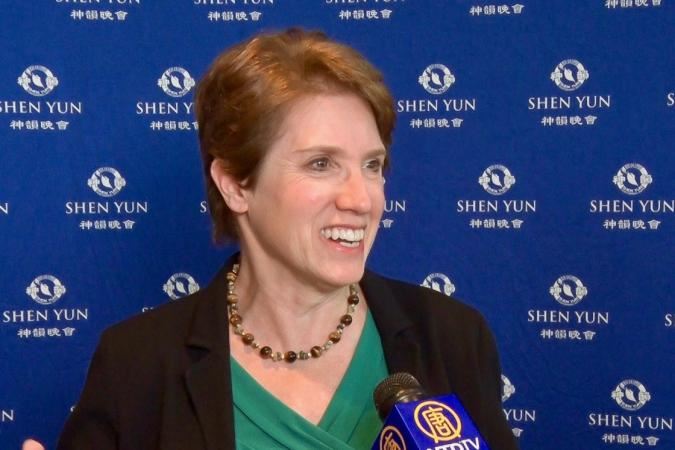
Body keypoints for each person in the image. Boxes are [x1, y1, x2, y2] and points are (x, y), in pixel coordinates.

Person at [54, 28, 519, 449]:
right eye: (321, 164)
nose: (362, 199)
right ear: (235, 185)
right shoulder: (135, 364)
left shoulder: (452, 337)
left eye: (372, 165)